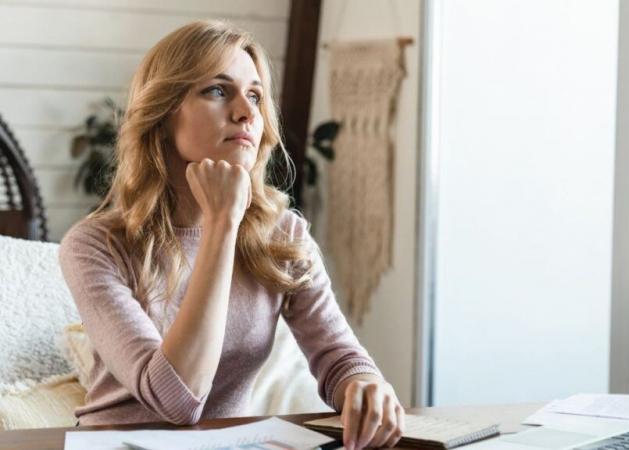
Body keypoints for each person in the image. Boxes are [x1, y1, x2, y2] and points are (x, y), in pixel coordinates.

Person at [58, 20, 404, 450]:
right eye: (218, 90)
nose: (247, 112)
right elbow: (177, 400)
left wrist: (364, 385)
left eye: (255, 95)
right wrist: (222, 223)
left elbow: (339, 357)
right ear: (164, 115)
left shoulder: (284, 235)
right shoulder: (95, 246)